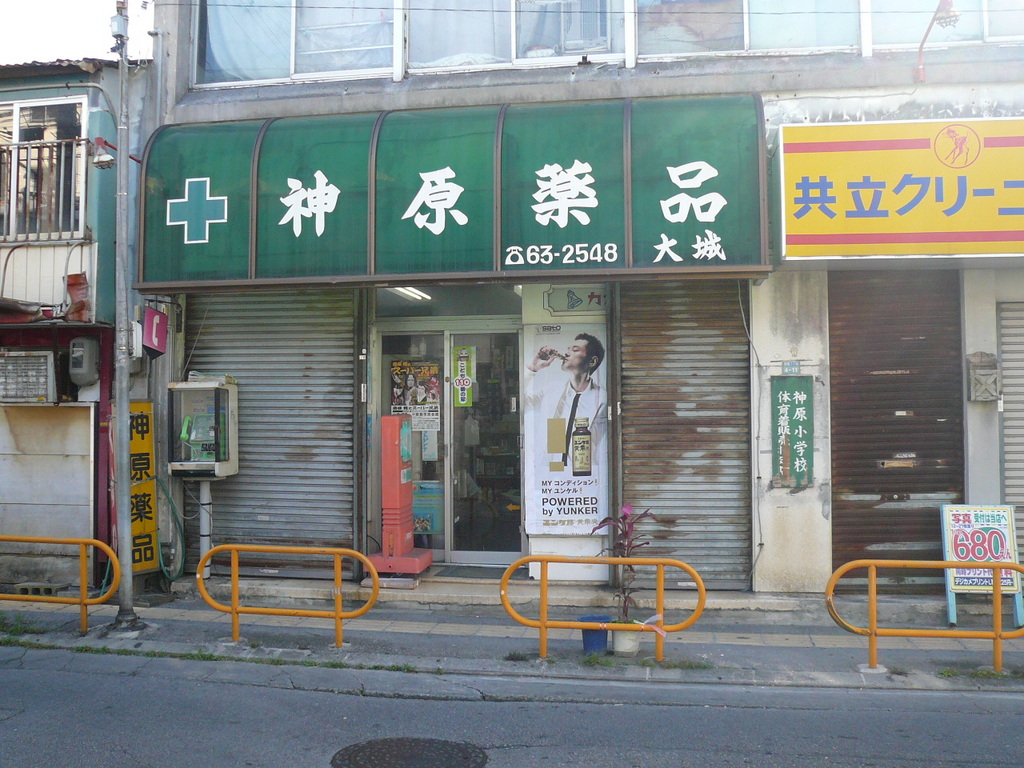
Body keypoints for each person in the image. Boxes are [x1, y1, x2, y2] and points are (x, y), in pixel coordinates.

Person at [524, 332, 607, 473]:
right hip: (547, 474)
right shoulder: (552, 390)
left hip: (583, 474)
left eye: (575, 350)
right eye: (568, 349)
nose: (567, 353)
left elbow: (600, 446)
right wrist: (533, 368)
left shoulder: (601, 399)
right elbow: (522, 401)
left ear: (592, 362)